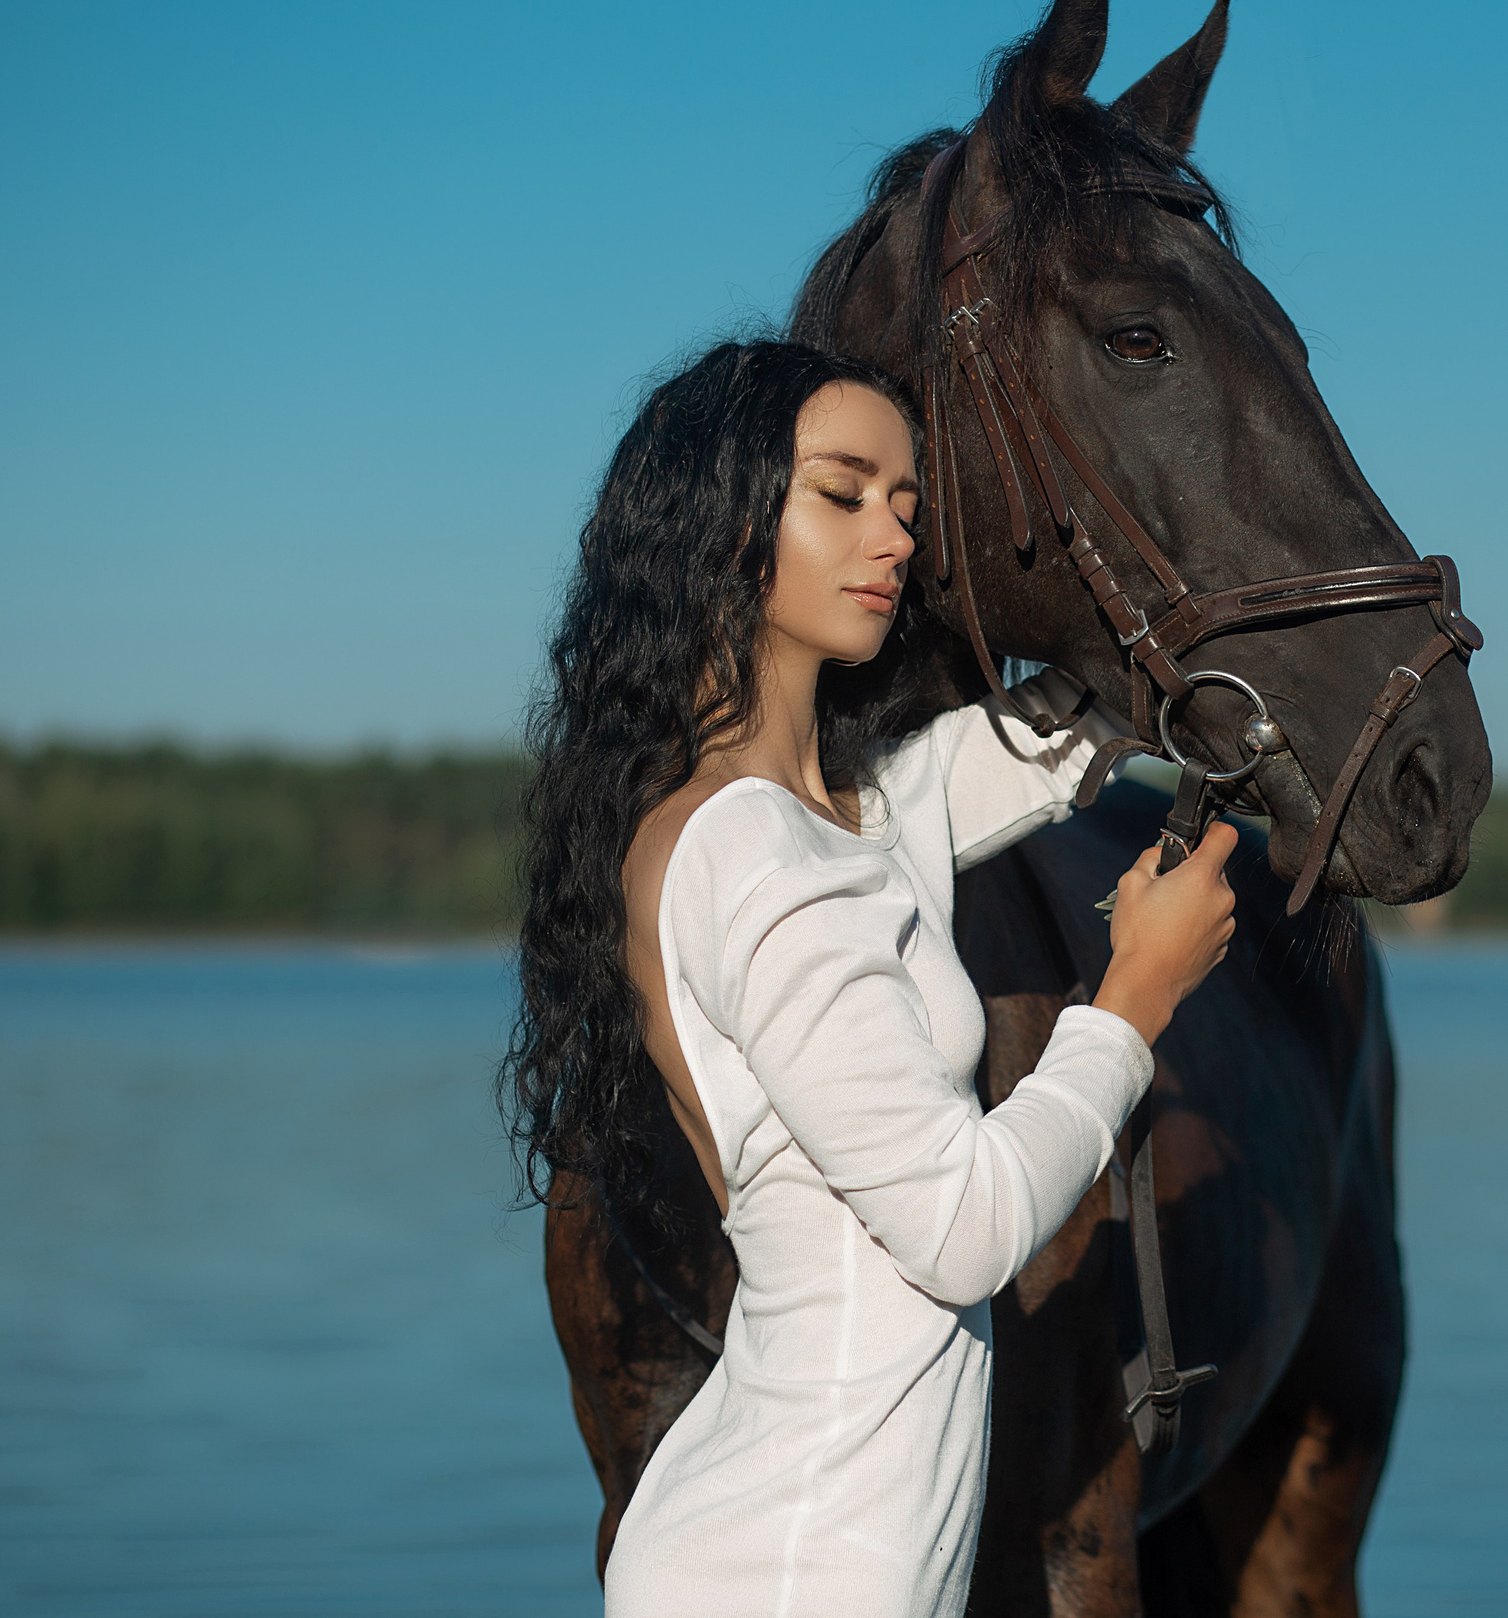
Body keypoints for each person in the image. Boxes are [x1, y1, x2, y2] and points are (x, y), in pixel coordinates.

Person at [503, 339, 1236, 1618]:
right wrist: (1135, 998)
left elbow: (989, 760)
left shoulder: (825, 815)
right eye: (841, 495)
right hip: (799, 1561)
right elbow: (961, 1232)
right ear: (723, 518)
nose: (893, 537)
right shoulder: (751, 846)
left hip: (819, 1539)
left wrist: (1185, 647)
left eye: (905, 503)